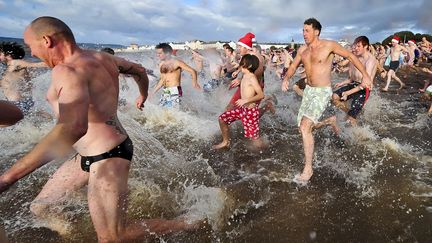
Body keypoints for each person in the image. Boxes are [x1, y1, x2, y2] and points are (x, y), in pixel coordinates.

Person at [0, 17, 199, 242]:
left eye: (30, 47)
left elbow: (72, 128)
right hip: (85, 156)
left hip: (109, 156)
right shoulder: (102, 58)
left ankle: (190, 223)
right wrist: (142, 94)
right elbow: (139, 70)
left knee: (113, 237)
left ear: (46, 41)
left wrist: (8, 178)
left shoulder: (67, 70)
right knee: (41, 208)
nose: (32, 53)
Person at [281, 18, 372, 183]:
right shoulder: (302, 50)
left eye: (307, 30)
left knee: (305, 126)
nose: (304, 34)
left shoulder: (329, 45)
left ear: (316, 31)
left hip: (322, 91)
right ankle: (330, 121)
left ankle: (308, 170)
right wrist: (286, 78)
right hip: (309, 91)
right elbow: (293, 67)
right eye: (302, 30)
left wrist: (365, 76)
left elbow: (351, 56)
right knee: (302, 128)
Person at [213, 54, 265, 149]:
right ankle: (225, 142)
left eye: (242, 63)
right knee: (222, 119)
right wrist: (237, 76)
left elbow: (261, 95)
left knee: (255, 141)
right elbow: (247, 89)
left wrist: (246, 100)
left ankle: (266, 148)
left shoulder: (252, 78)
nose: (240, 65)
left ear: (248, 66)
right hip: (242, 109)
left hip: (250, 112)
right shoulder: (245, 76)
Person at [332, 36, 378, 125]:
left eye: (358, 46)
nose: (356, 48)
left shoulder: (370, 60)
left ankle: (357, 134)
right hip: (354, 84)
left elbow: (365, 83)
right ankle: (349, 112)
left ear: (366, 47)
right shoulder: (356, 57)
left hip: (364, 89)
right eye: (355, 46)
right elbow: (352, 78)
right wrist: (342, 83)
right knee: (334, 97)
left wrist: (347, 93)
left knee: (351, 118)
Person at [0, 42, 47, 114]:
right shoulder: (8, 68)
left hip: (17, 104)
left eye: (0, 54)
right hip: (20, 102)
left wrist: (55, 63)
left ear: (8, 55)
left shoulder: (16, 63)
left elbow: (37, 65)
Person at [152, 43, 200, 108]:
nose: (158, 55)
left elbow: (192, 71)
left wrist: (194, 83)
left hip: (175, 90)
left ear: (167, 53)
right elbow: (162, 80)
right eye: (157, 53)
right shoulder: (161, 64)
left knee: (173, 111)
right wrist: (153, 92)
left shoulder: (176, 62)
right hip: (166, 90)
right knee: (161, 109)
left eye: (160, 53)